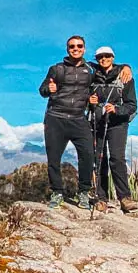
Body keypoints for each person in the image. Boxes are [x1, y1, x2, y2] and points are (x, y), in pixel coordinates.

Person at [39, 36, 98, 209]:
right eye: (72, 46)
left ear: (84, 49)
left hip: (79, 119)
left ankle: (83, 193)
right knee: (53, 158)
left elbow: (109, 71)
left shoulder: (91, 71)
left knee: (88, 155)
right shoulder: (56, 69)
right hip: (55, 118)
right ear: (67, 49)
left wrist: (126, 67)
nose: (76, 48)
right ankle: (57, 192)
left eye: (79, 46)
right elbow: (42, 90)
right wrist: (48, 90)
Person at [88, 45, 138, 213]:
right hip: (97, 122)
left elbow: (132, 105)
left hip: (117, 123)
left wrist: (117, 110)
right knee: (99, 160)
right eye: (100, 57)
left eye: (107, 56)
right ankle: (101, 199)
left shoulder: (124, 76)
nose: (104, 59)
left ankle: (124, 198)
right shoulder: (91, 74)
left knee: (117, 159)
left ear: (113, 57)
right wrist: (91, 101)